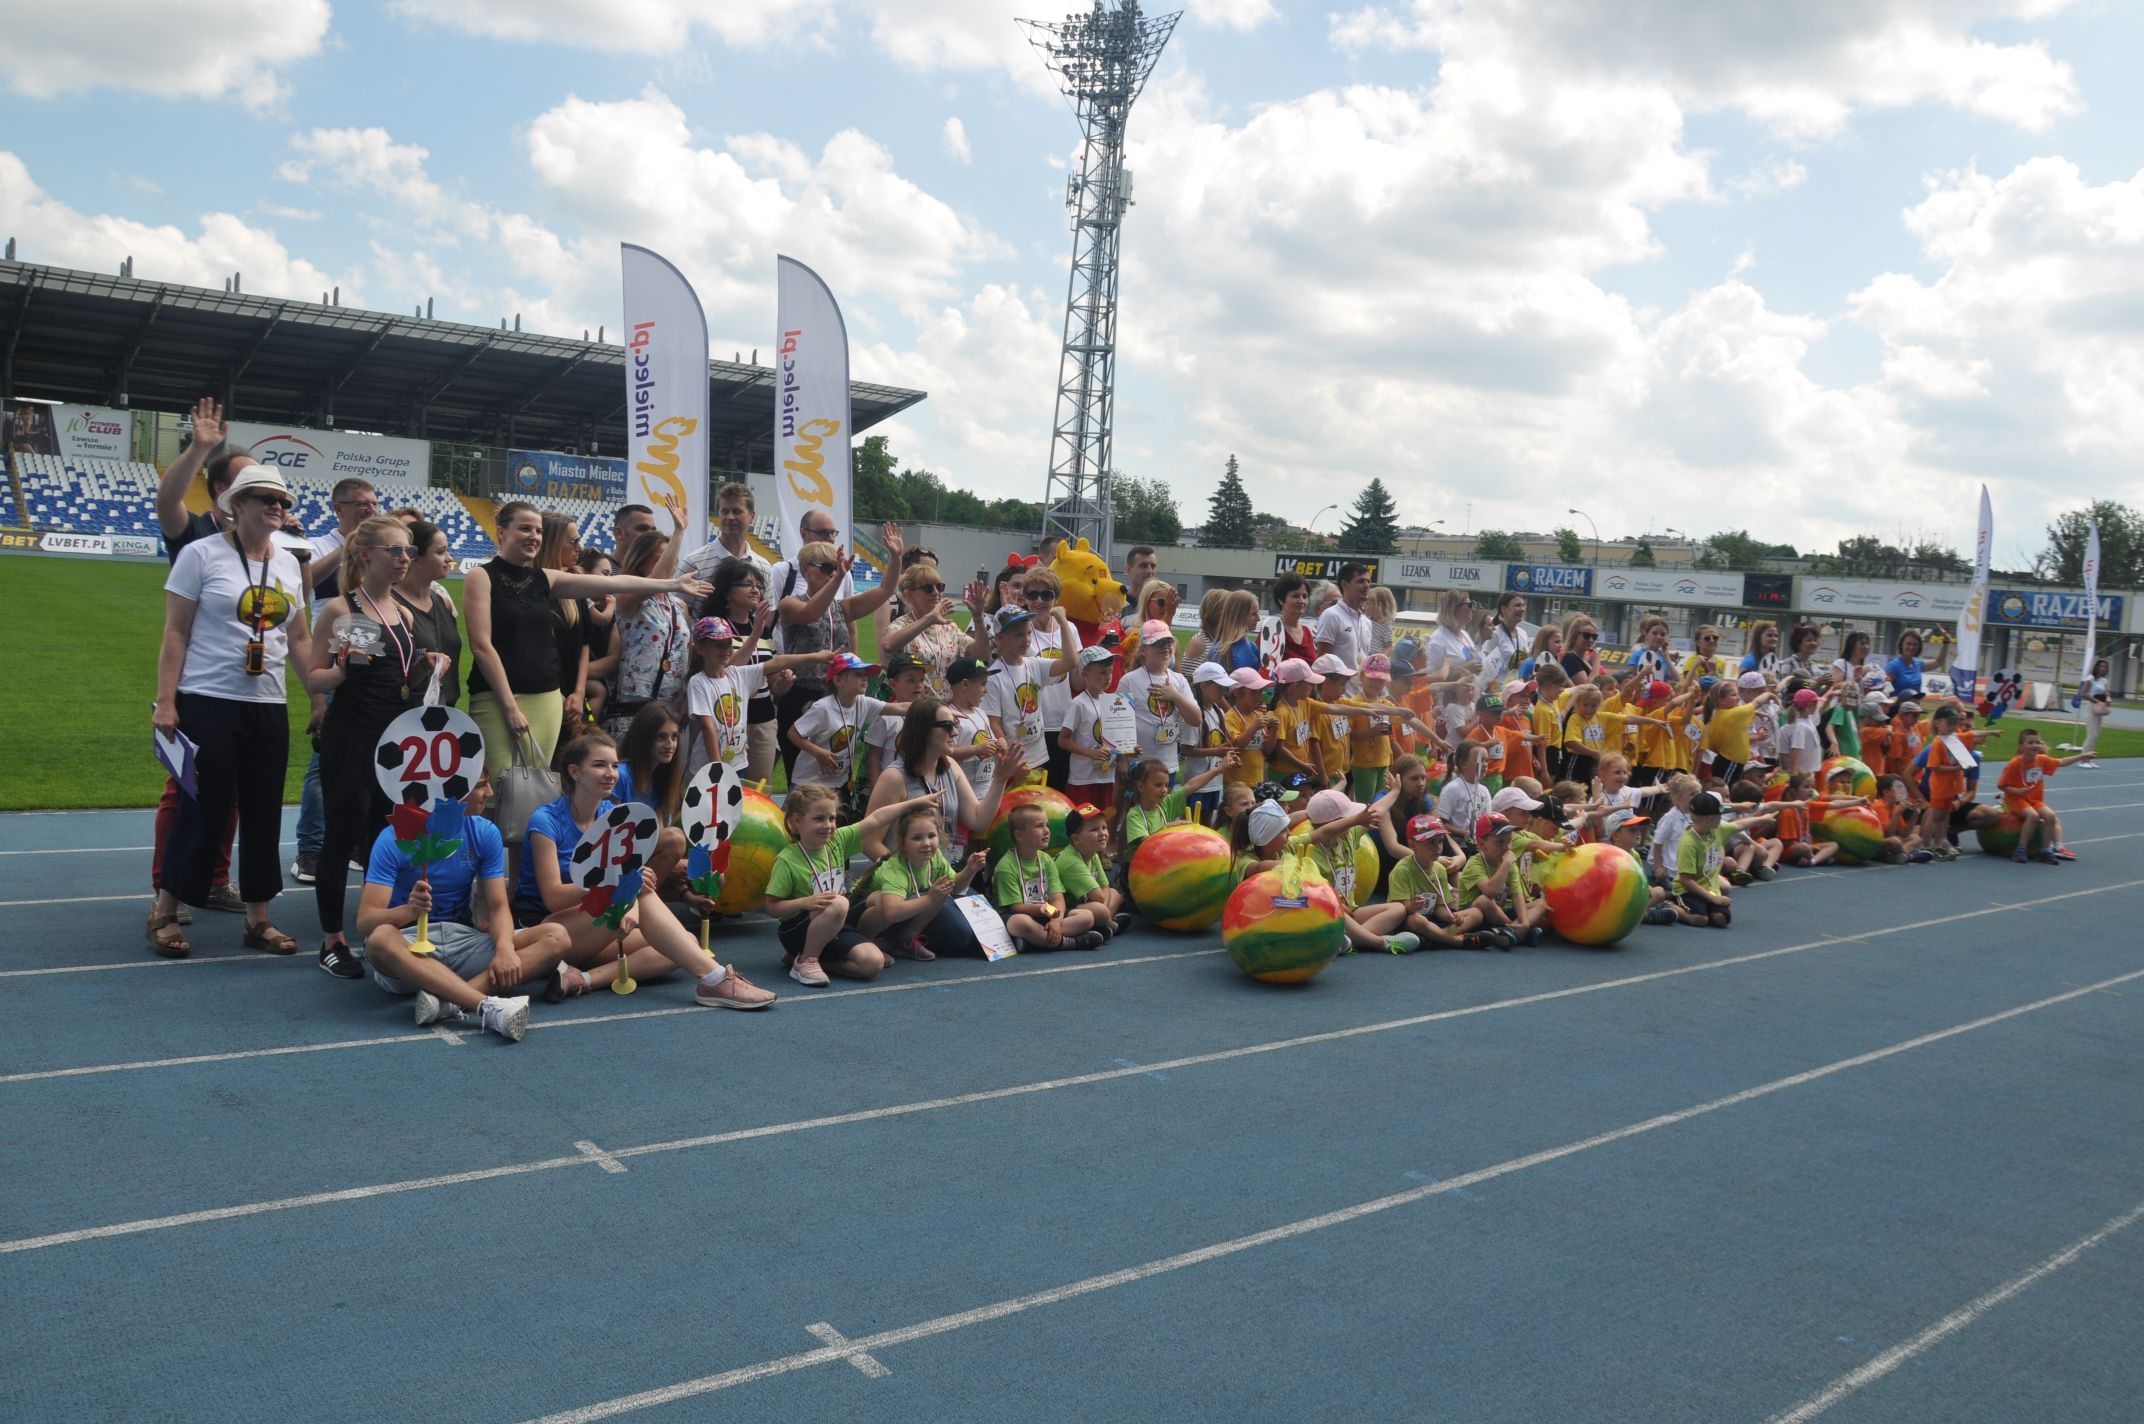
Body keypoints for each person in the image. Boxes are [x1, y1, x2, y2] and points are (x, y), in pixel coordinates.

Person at [147, 464, 314, 959]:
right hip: (207, 699)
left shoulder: (287, 563)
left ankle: (258, 918)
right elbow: (175, 632)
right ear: (235, 503)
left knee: (263, 813)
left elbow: (299, 639)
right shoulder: (200, 554)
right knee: (202, 810)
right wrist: (168, 700)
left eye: (283, 501)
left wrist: (319, 698)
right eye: (265, 498)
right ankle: (165, 909)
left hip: (268, 705)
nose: (276, 507)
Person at [515, 729, 776, 1007]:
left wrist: (630, 893)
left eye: (615, 765)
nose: (611, 773)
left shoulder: (611, 816)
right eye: (599, 764)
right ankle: (715, 979)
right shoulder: (546, 821)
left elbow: (628, 882)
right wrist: (619, 885)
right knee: (643, 895)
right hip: (545, 928)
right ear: (574, 772)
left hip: (590, 928)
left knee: (677, 946)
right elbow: (553, 897)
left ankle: (581, 979)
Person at [301, 516, 450, 979]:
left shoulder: (404, 613)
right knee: (341, 839)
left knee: (384, 839)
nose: (404, 559)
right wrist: (343, 669)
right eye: (395, 551)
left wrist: (428, 663)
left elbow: (401, 676)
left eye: (407, 551)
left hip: (395, 746)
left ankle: (377, 926)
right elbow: (314, 677)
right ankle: (332, 941)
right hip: (352, 741)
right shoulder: (343, 610)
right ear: (366, 555)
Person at [463, 502, 710, 773]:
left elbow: (614, 583)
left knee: (535, 784)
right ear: (501, 532)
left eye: (538, 530)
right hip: (497, 699)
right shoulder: (481, 576)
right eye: (524, 529)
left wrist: (672, 584)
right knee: (498, 782)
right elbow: (481, 646)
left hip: (545, 698)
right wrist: (510, 707)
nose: (533, 536)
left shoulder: (546, 579)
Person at [356, 776, 575, 1041]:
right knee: (378, 939)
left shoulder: (483, 832)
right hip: (408, 948)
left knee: (557, 936)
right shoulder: (393, 837)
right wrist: (408, 911)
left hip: (463, 940)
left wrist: (505, 948)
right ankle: (487, 1006)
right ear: (452, 792)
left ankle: (449, 1002)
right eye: (481, 784)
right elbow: (366, 921)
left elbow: (497, 906)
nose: (490, 792)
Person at [148, 401, 250, 921]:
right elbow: (166, 500)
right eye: (247, 481)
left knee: (230, 791)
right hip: (198, 687)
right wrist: (201, 448)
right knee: (184, 788)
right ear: (220, 492)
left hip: (248, 692)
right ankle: (168, 885)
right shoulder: (195, 535)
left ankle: (212, 880)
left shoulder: (265, 544)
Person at [774, 526, 903, 779]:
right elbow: (811, 612)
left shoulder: (842, 607)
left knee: (837, 766)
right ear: (805, 570)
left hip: (836, 695)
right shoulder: (789, 603)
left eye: (836, 568)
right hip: (800, 694)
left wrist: (896, 558)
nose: (833, 573)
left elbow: (885, 591)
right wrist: (838, 579)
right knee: (799, 771)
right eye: (826, 567)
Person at [762, 784, 924, 986]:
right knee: (838, 903)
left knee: (873, 963)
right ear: (797, 821)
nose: (828, 825)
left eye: (832, 818)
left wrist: (915, 802)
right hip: (797, 930)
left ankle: (807, 961)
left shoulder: (836, 841)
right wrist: (805, 902)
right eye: (819, 818)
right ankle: (807, 960)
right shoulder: (787, 860)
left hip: (835, 925)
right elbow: (771, 906)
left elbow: (876, 819)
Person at [865, 696, 1027, 859]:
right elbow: (869, 842)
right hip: (908, 879)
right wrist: (908, 877)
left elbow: (978, 820)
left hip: (945, 875)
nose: (955, 732)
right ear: (923, 729)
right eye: (947, 726)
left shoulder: (950, 766)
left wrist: (999, 779)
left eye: (955, 725)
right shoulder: (894, 777)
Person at [685, 611, 826, 778]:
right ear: (701, 648)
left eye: (728, 644)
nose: (726, 650)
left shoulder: (737, 674)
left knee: (733, 804)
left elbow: (776, 662)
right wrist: (717, 769)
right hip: (708, 767)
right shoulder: (698, 682)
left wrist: (815, 656)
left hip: (737, 764)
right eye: (718, 645)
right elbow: (708, 728)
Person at [855, 804, 993, 960]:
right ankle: (866, 941)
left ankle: (905, 940)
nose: (926, 843)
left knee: (942, 889)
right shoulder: (895, 868)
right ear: (901, 842)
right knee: (883, 900)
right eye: (917, 838)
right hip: (861, 915)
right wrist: (929, 899)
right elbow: (891, 912)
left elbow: (955, 888)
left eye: (931, 836)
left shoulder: (936, 858)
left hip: (898, 914)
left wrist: (970, 870)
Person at [702, 556, 785, 783]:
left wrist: (783, 683)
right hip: (727, 717)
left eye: (758, 585)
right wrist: (755, 633)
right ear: (728, 591)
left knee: (757, 789)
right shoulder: (716, 627)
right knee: (724, 785)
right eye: (747, 584)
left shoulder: (764, 631)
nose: (755, 590)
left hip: (763, 718)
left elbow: (772, 680)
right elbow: (725, 671)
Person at [994, 801, 1107, 950]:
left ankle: (1033, 941)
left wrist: (1056, 921)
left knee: (1086, 917)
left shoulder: (1046, 859)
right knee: (1019, 923)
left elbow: (1057, 897)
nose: (1046, 830)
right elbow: (1016, 907)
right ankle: (1070, 943)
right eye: (1039, 826)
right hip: (1022, 914)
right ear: (1019, 835)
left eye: (1047, 825)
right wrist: (1043, 909)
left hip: (1047, 913)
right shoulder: (1006, 866)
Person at [790, 652, 897, 794]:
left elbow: (899, 708)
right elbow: (793, 733)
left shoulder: (863, 703)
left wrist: (933, 708)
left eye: (865, 674)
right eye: (857, 674)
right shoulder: (823, 708)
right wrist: (819, 753)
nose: (865, 678)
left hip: (840, 782)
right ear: (838, 680)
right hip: (810, 783)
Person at [879, 560, 984, 703]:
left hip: (943, 709)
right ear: (909, 595)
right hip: (913, 710)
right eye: (928, 588)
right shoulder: (903, 624)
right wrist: (928, 619)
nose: (936, 593)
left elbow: (981, 655)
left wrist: (978, 619)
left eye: (940, 587)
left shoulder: (948, 627)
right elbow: (888, 644)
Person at [1120, 619, 1200, 781]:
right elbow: (1117, 722)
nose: (1165, 647)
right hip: (1138, 765)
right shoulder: (1129, 681)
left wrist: (1175, 696)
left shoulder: (1179, 681)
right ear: (1143, 650)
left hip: (1167, 765)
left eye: (1168, 642)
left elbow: (1196, 719)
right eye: (1158, 643)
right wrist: (1122, 758)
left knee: (1163, 806)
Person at [394, 520, 462, 707]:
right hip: (404, 717)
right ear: (415, 558)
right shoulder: (390, 604)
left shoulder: (443, 602)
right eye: (441, 552)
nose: (449, 558)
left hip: (445, 715)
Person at [538, 514, 595, 728]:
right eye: (574, 542)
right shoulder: (529, 589)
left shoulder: (575, 590)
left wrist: (579, 693)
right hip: (541, 698)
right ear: (552, 544)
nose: (579, 548)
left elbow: (584, 645)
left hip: (572, 702)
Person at [676, 481, 770, 608]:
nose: (730, 517)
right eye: (725, 511)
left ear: (751, 517)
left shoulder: (764, 566)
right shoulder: (693, 563)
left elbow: (767, 614)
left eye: (737, 511)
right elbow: (678, 613)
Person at [1062, 646, 1129, 812]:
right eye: (1102, 672)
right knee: (1082, 819)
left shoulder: (1115, 701)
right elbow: (1063, 740)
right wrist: (1090, 753)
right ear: (1085, 674)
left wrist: (1125, 755)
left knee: (1104, 817)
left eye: (1110, 671)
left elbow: (1118, 738)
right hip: (1083, 778)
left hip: (1106, 777)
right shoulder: (1078, 704)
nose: (1107, 677)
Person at [1058, 804, 1129, 934]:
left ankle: (1103, 923)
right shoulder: (1070, 861)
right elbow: (1099, 897)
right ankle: (1110, 925)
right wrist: (1103, 909)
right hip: (1061, 909)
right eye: (1094, 829)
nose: (1102, 833)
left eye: (1104, 827)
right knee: (1099, 909)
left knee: (1115, 894)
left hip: (1085, 903)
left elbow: (1105, 886)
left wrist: (1103, 910)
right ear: (1076, 839)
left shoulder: (1092, 853)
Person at [1313, 562, 1377, 693]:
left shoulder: (1366, 622)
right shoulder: (1331, 615)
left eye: (1368, 581)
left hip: (1360, 699)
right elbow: (1323, 662)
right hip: (1338, 698)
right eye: (1360, 581)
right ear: (1344, 584)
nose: (1366, 586)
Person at [1675, 791, 1734, 927]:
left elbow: (1741, 825)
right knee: (1700, 919)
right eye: (1720, 815)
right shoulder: (1688, 842)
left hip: (1708, 887)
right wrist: (1713, 898)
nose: (1722, 818)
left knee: (1720, 919)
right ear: (1710, 818)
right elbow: (1686, 880)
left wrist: (1763, 819)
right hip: (1688, 890)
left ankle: (1708, 908)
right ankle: (1671, 905)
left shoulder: (1715, 830)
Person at [1270, 573, 1318, 667]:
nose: (1302, 601)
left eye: (1305, 596)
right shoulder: (1272, 631)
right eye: (1295, 596)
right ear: (1281, 600)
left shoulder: (1307, 632)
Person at [1885, 629, 1946, 699]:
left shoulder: (1918, 664)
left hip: (1914, 707)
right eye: (1908, 643)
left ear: (1918, 647)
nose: (1911, 647)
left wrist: (1945, 643)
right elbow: (1885, 692)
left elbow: (1939, 662)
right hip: (1898, 708)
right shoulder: (1894, 666)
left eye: (1915, 644)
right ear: (1901, 644)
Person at [2079, 657, 2112, 764]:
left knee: (2096, 734)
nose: (2103, 668)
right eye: (2101, 666)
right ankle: (2083, 760)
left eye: (2105, 667)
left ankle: (2089, 759)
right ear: (2097, 667)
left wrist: (2108, 699)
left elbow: (2107, 693)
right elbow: (2083, 693)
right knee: (2091, 734)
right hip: (2092, 705)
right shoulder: (2090, 678)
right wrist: (2095, 700)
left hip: (2100, 707)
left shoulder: (2104, 681)